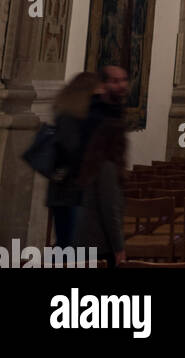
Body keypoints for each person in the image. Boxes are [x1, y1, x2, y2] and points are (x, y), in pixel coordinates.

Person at [47, 72, 99, 246]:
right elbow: (72, 152)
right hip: (71, 192)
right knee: (71, 245)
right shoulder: (71, 119)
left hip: (65, 191)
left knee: (67, 243)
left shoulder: (67, 116)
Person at [78, 114, 128, 268]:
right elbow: (110, 211)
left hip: (82, 241)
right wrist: (119, 248)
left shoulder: (88, 163)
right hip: (99, 245)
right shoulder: (107, 167)